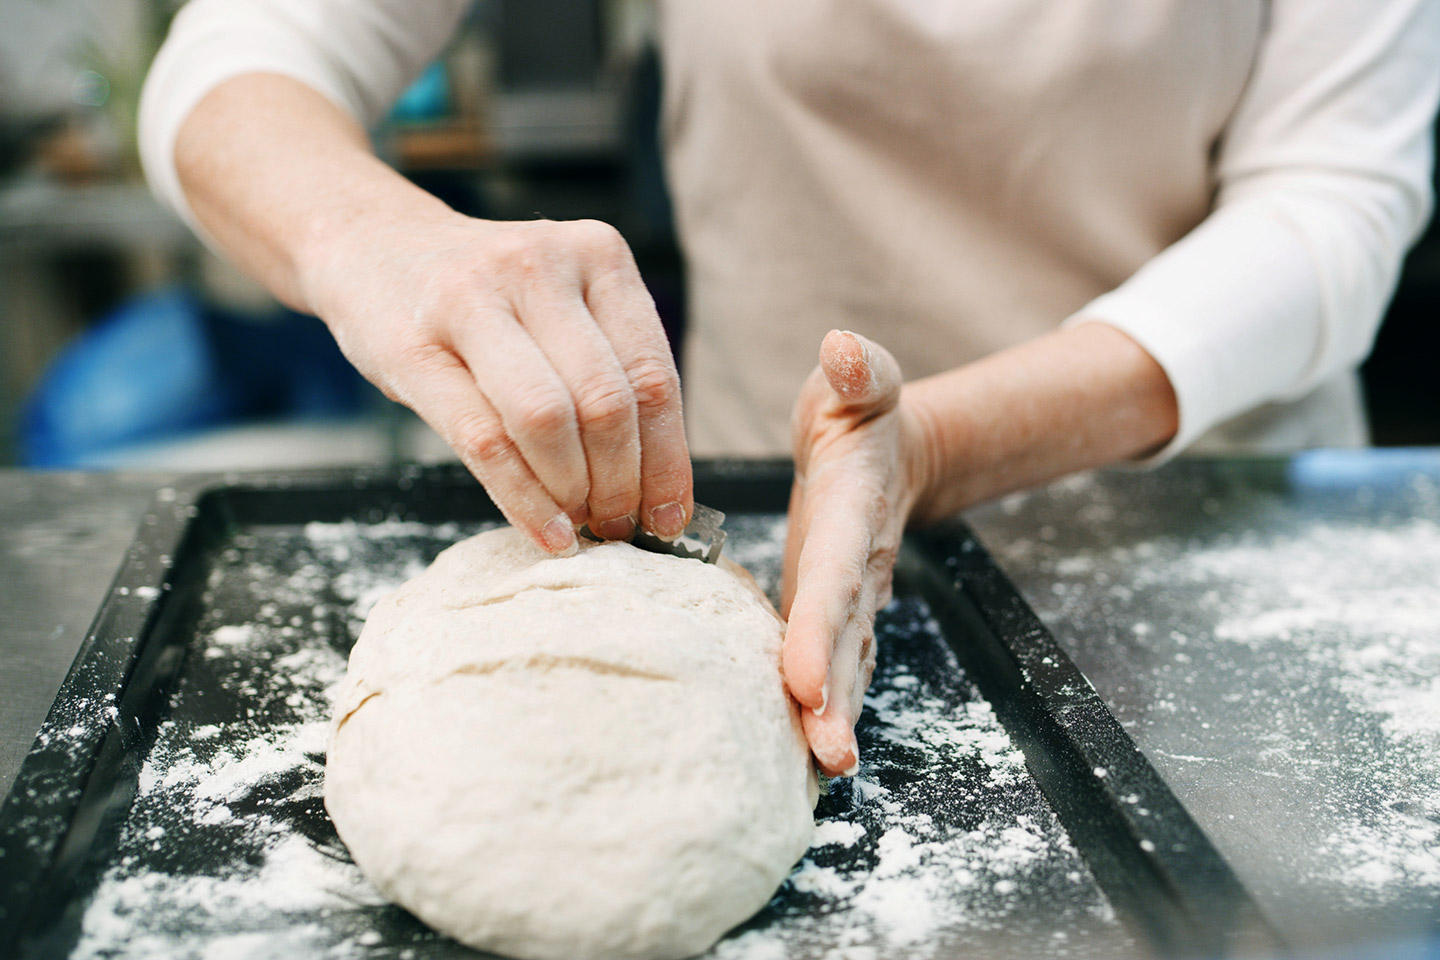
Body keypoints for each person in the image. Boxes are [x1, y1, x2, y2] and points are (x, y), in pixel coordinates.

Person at [138, 0, 1439, 778]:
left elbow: (1334, 204)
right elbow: (239, 59)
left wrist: (934, 438)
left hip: (1204, 552)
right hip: (770, 560)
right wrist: (372, 237)